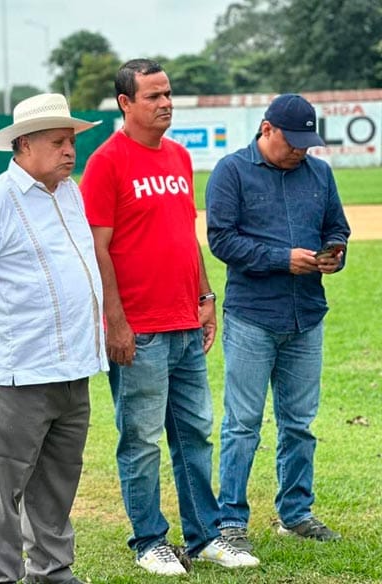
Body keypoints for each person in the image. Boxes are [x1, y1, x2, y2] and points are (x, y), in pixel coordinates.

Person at [79, 59, 260, 576]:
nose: (165, 103)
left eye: (167, 94)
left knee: (194, 433)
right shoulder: (107, 162)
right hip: (139, 328)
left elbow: (185, 236)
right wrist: (115, 322)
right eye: (153, 96)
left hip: (183, 320)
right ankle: (149, 540)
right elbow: (99, 248)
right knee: (140, 439)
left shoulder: (179, 157)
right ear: (125, 104)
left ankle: (204, 536)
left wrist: (205, 297)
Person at [0, 93, 108, 584]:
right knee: (4, 491)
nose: (71, 151)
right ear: (23, 145)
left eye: (72, 142)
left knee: (59, 480)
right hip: (21, 370)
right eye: (59, 142)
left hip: (74, 367)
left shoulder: (70, 192)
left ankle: (51, 569)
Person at [206, 93, 350, 551]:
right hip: (252, 317)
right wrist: (280, 260)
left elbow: (337, 227)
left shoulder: (319, 174)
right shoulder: (231, 171)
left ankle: (296, 513)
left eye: (308, 143)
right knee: (242, 424)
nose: (301, 151)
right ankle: (230, 521)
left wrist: (335, 254)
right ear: (267, 129)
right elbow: (221, 240)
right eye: (293, 142)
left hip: (306, 316)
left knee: (300, 423)